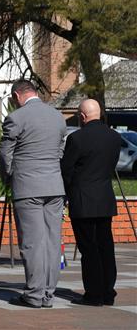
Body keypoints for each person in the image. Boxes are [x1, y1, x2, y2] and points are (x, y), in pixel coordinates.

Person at [0, 79, 66, 309]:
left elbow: (6, 153)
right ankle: (48, 293)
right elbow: (60, 150)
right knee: (51, 240)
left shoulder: (16, 118)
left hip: (28, 186)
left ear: (18, 96)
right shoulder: (57, 116)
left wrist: (8, 176)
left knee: (32, 242)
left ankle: (34, 294)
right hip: (55, 186)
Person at [61, 99, 120, 307]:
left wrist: (67, 192)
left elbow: (66, 170)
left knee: (89, 248)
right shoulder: (114, 137)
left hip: (82, 199)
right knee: (105, 246)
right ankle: (107, 291)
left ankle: (93, 293)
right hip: (104, 197)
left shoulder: (76, 139)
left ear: (82, 116)